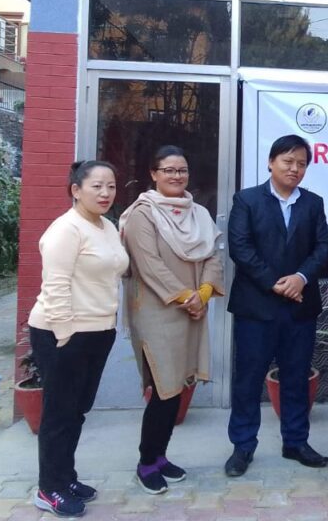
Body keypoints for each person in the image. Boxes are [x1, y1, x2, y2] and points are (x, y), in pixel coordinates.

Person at [224, 134, 328, 477]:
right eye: (288, 161)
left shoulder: (312, 203)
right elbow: (240, 248)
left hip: (300, 309)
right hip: (256, 308)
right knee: (248, 379)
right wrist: (276, 283)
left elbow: (322, 247)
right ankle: (243, 446)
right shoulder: (247, 200)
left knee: (296, 377)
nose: (294, 168)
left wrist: (300, 277)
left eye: (301, 163)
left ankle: (296, 442)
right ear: (271, 162)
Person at [119, 146, 224, 494]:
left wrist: (204, 293)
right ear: (153, 174)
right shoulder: (142, 214)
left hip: (192, 310)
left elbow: (212, 255)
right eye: (169, 170)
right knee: (163, 388)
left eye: (182, 170)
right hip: (157, 311)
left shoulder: (199, 213)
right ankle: (146, 463)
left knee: (178, 386)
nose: (177, 176)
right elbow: (148, 265)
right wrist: (186, 296)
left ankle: (161, 456)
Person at [28, 160, 129, 518]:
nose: (105, 193)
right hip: (62, 333)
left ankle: (66, 477)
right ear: (76, 190)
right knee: (59, 413)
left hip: (98, 331)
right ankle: (48, 488)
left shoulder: (106, 226)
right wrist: (64, 334)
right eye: (96, 186)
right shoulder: (66, 229)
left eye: (111, 186)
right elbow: (55, 285)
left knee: (77, 410)